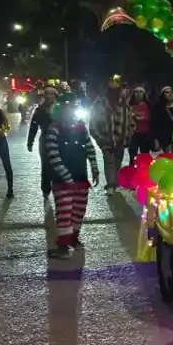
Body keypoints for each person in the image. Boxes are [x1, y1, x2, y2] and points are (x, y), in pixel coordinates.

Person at [42, 93, 100, 259]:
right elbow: (52, 155)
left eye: (73, 105)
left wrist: (94, 168)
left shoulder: (81, 126)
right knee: (64, 213)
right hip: (62, 181)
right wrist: (66, 176)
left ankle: (74, 238)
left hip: (81, 177)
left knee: (79, 211)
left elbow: (89, 147)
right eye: (67, 106)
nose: (71, 109)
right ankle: (63, 245)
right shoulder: (54, 128)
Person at [90, 82, 131, 193]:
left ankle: (115, 183)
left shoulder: (124, 104)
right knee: (109, 163)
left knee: (117, 162)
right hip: (107, 141)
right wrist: (100, 139)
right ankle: (110, 185)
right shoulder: (99, 104)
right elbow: (93, 125)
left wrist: (128, 135)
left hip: (121, 141)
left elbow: (130, 121)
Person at [27, 85, 59, 207]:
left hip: (59, 140)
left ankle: (58, 188)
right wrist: (30, 142)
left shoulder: (60, 109)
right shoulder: (39, 110)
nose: (49, 97)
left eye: (52, 94)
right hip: (45, 140)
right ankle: (45, 190)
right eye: (47, 94)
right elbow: (33, 127)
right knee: (46, 166)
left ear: (55, 96)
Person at [152, 86, 173, 152]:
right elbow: (154, 124)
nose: (170, 94)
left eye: (171, 92)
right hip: (165, 138)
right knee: (169, 155)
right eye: (167, 92)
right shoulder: (158, 108)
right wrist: (155, 139)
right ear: (163, 95)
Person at [127, 87, 152, 157]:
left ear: (144, 94)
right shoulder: (129, 105)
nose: (138, 93)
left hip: (145, 134)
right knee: (132, 155)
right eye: (136, 91)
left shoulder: (148, 105)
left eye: (141, 91)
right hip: (132, 134)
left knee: (145, 155)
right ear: (133, 94)